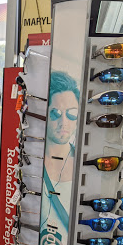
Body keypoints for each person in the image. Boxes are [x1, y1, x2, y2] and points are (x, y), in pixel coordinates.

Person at [41, 71, 80, 230]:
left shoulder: (85, 165)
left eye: (71, 114)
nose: (63, 122)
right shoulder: (29, 164)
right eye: (55, 113)